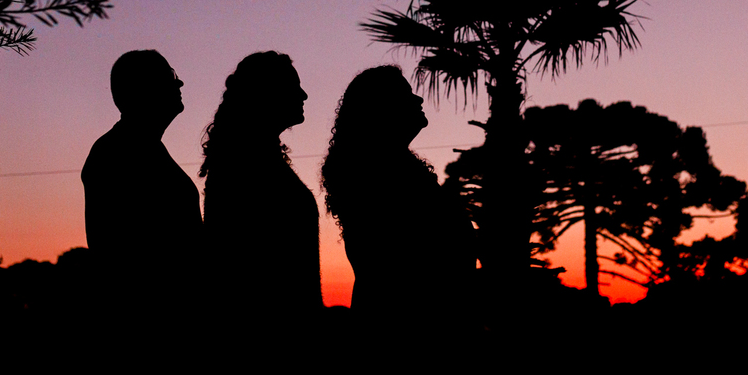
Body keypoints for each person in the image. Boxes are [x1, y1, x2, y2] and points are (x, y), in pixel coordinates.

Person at [321, 65, 477, 335]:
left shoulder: (399, 168)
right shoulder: (375, 174)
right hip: (408, 327)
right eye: (406, 95)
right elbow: (404, 263)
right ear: (382, 110)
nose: (418, 100)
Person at [200, 51, 322, 330]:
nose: (303, 95)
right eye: (293, 86)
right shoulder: (243, 165)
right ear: (266, 93)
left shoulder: (257, 159)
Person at [81, 50, 202, 329]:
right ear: (144, 88)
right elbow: (124, 255)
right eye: (170, 75)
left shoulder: (142, 146)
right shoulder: (118, 152)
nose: (179, 83)